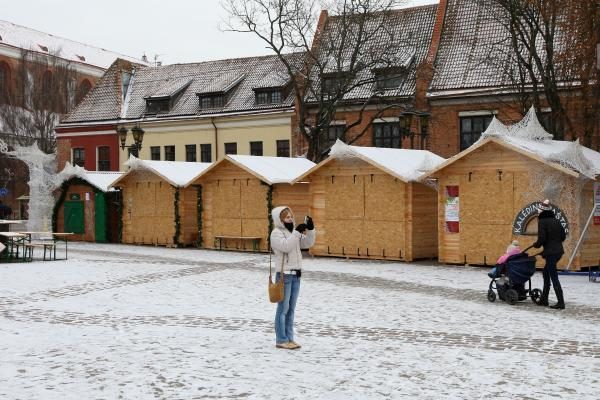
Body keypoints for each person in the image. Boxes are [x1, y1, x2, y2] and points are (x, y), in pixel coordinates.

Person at [270, 206, 316, 350]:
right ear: (280, 219)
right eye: (287, 217)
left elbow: (307, 243)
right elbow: (285, 247)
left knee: (291, 309)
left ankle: (290, 338)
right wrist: (296, 233)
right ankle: (281, 339)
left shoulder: (293, 232)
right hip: (284, 275)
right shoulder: (276, 233)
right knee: (283, 309)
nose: (290, 219)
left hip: (296, 275)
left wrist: (311, 230)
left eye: (291, 216)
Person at [533, 199, 567, 309]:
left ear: (541, 212)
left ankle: (561, 302)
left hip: (551, 253)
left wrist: (537, 245)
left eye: (538, 212)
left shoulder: (542, 222)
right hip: (558, 252)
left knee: (553, 276)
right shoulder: (556, 220)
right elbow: (563, 237)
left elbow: (542, 238)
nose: (538, 214)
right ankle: (544, 299)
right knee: (546, 273)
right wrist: (554, 242)